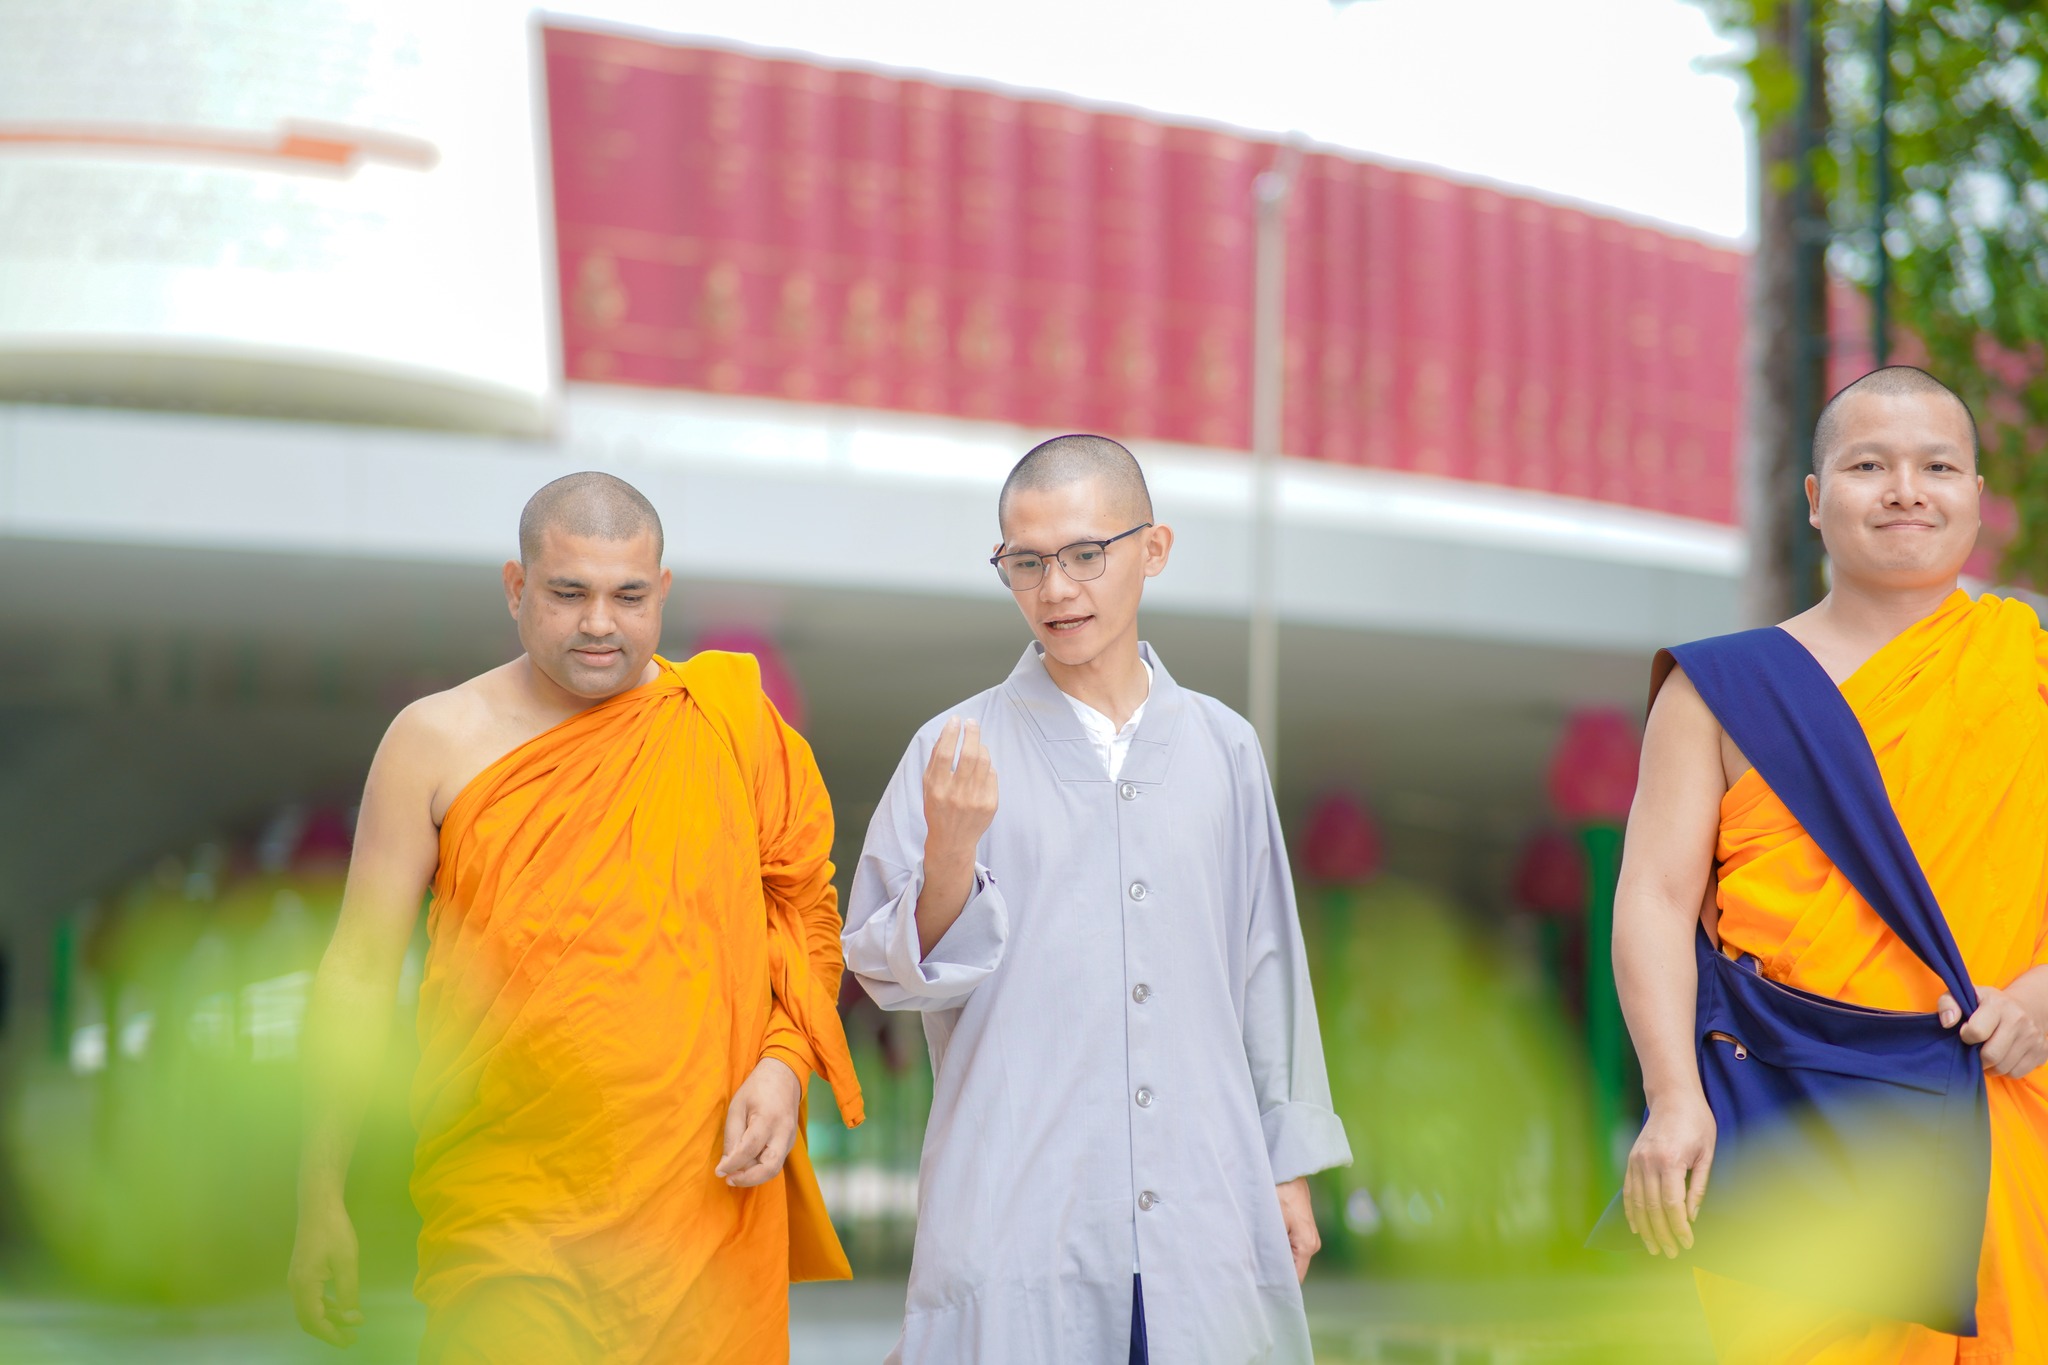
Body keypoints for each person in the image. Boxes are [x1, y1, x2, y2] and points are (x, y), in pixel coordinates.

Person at [285, 472, 862, 1363]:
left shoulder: (729, 724)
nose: (601, 622)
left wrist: (786, 1066)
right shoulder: (433, 740)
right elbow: (359, 972)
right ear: (517, 589)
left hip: (704, 1202)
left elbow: (809, 922)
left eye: (629, 595)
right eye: (569, 593)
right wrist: (318, 1191)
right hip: (507, 1204)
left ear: (662, 593)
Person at [843, 434, 1351, 1364]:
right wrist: (952, 849)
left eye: (1086, 554)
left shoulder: (1225, 748)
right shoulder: (952, 748)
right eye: (1026, 563)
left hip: (1203, 1205)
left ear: (1152, 550)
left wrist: (1288, 1169)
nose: (1057, 589)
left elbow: (1266, 968)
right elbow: (885, 972)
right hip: (1019, 1210)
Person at [1613, 367, 2048, 1361]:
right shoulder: (1718, 690)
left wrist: (2032, 1001)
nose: (1904, 489)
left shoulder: (2023, 669)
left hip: (1998, 1102)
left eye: (1936, 465)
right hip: (1791, 1120)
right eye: (1867, 466)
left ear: (1976, 495)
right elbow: (1651, 899)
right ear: (1813, 500)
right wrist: (1672, 1095)